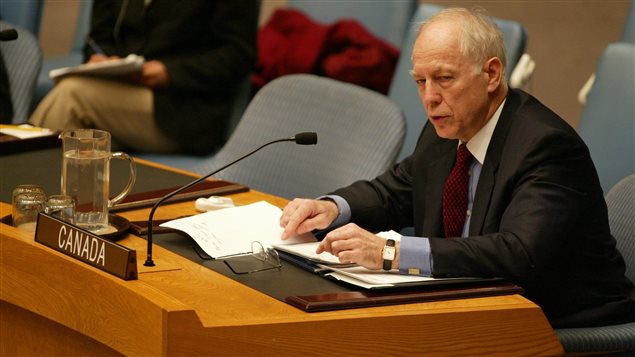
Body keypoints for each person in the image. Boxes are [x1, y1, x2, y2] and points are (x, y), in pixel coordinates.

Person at [279, 7, 635, 328]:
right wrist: (330, 208)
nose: (430, 97)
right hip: (466, 306)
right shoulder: (445, 130)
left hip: (556, 319)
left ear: (492, 74)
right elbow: (392, 191)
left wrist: (391, 253)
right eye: (420, 81)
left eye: (445, 79)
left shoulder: (547, 147)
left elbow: (517, 253)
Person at [29, 0, 258, 155]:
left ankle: (21, 198)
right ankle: (72, 215)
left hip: (181, 106)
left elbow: (237, 55)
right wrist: (100, 58)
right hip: (115, 88)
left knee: (71, 95)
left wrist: (168, 72)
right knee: (80, 138)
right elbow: (98, 37)